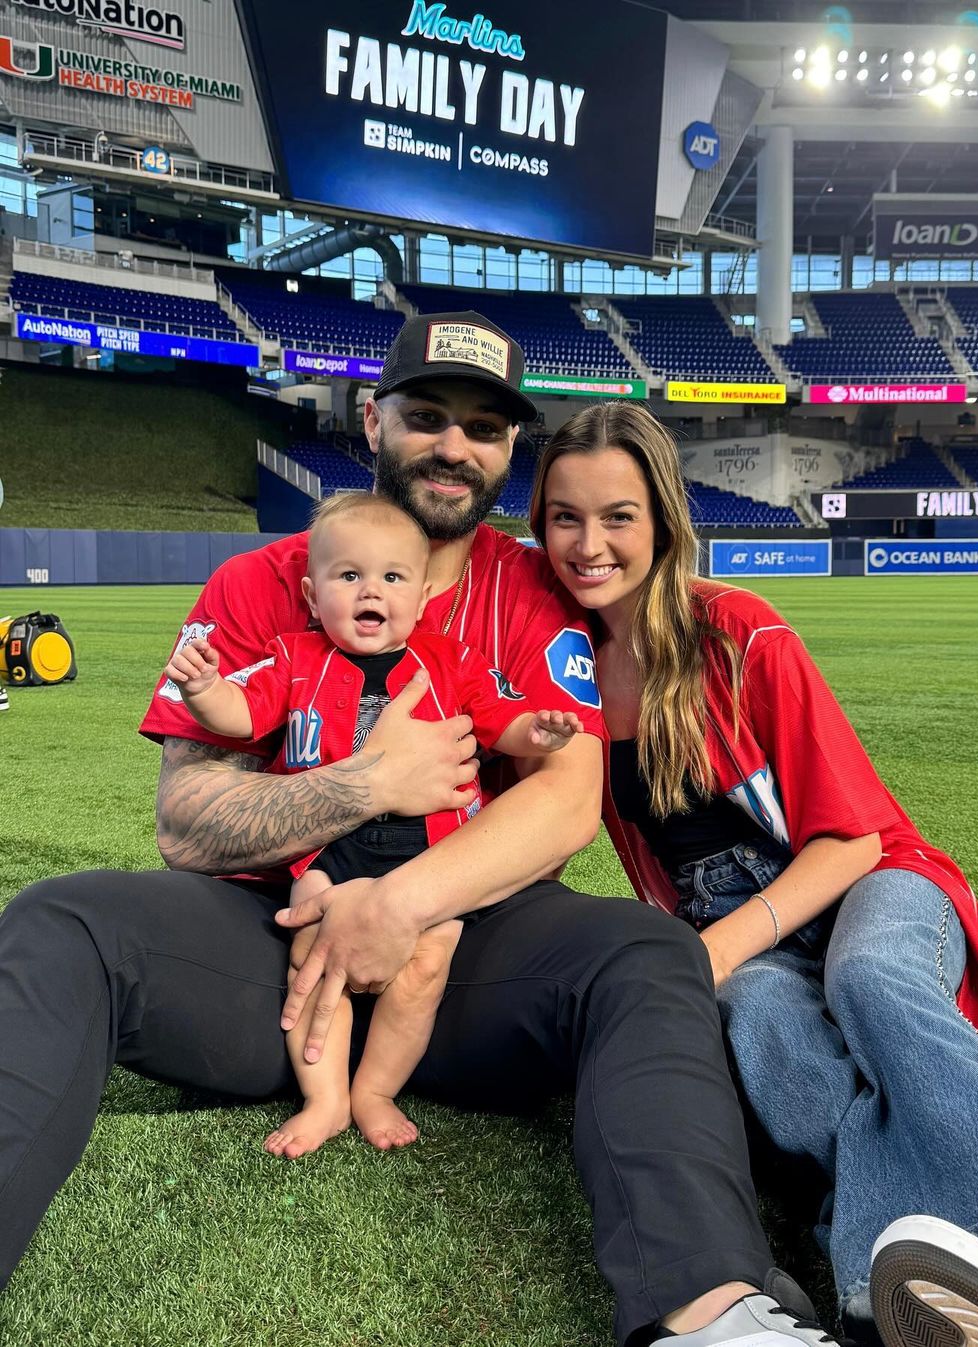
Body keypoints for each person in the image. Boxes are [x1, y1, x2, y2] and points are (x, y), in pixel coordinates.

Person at [0, 312, 833, 1347]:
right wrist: (364, 784)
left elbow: (567, 799)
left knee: (646, 953)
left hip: (476, 951)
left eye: (484, 429)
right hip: (277, 957)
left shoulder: (534, 589)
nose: (454, 447)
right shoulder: (259, 585)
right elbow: (186, 823)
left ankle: (711, 1315)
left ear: (508, 452)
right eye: (428, 416)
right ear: (371, 420)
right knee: (63, 921)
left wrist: (398, 905)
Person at [528, 400, 978, 1347]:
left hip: (868, 876)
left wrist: (714, 951)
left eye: (617, 514)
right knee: (768, 1026)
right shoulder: (566, 673)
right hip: (730, 916)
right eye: (564, 516)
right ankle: (933, 1291)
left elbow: (854, 838)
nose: (589, 542)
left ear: (661, 517)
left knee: (867, 976)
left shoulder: (738, 629)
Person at [163, 489, 582, 1156]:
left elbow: (503, 722)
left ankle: (376, 1089)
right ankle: (325, 1095)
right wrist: (205, 689)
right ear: (311, 591)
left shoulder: (451, 661)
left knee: (428, 961)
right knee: (309, 942)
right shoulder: (294, 658)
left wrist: (543, 728)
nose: (371, 591)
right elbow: (242, 716)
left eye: (392, 577)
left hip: (429, 853)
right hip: (330, 848)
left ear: (420, 600)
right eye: (348, 575)